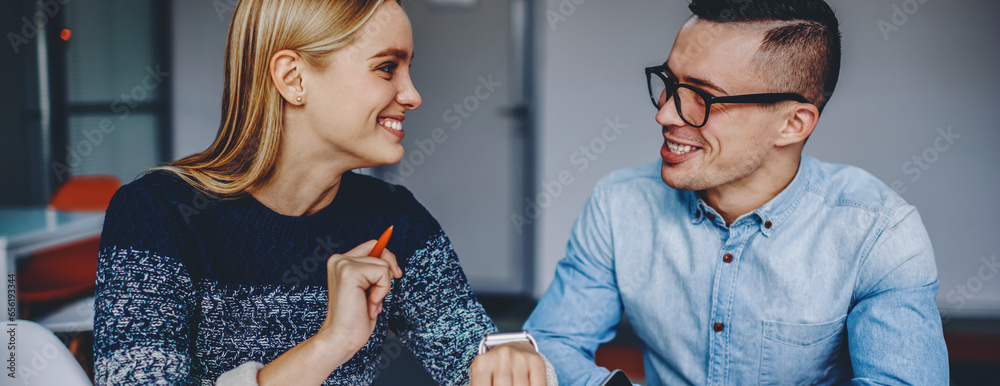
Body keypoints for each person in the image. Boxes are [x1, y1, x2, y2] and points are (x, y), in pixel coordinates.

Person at [93, 1, 555, 385]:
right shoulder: (156, 214)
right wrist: (332, 342)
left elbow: (473, 351)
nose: (412, 94)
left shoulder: (396, 218)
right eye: (387, 67)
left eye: (408, 69)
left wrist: (510, 360)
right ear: (293, 79)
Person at [524, 0, 949, 384]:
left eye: (702, 96)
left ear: (793, 124)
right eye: (669, 83)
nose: (666, 113)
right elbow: (548, 345)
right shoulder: (618, 205)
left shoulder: (879, 232)